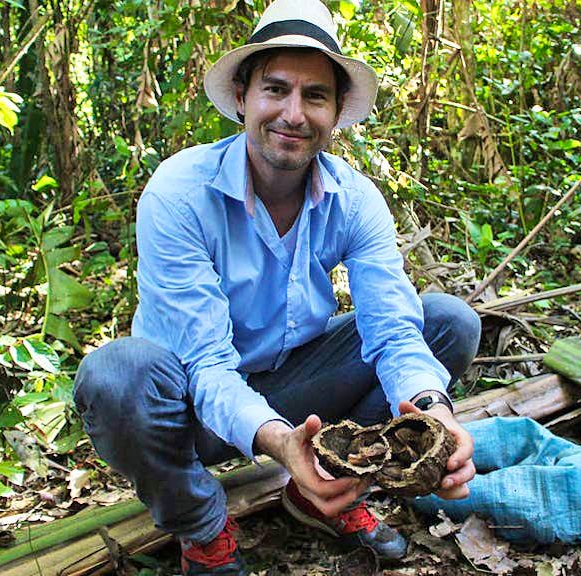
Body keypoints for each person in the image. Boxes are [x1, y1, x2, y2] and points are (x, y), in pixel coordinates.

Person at [73, 0, 481, 574]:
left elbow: (393, 330)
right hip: (192, 412)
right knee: (118, 375)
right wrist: (282, 444)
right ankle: (202, 525)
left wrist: (436, 415)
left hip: (295, 383)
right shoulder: (180, 193)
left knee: (447, 323)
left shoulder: (355, 200)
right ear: (242, 97)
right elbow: (207, 363)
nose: (293, 113)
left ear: (337, 112)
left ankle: (329, 487)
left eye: (315, 95)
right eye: (276, 89)